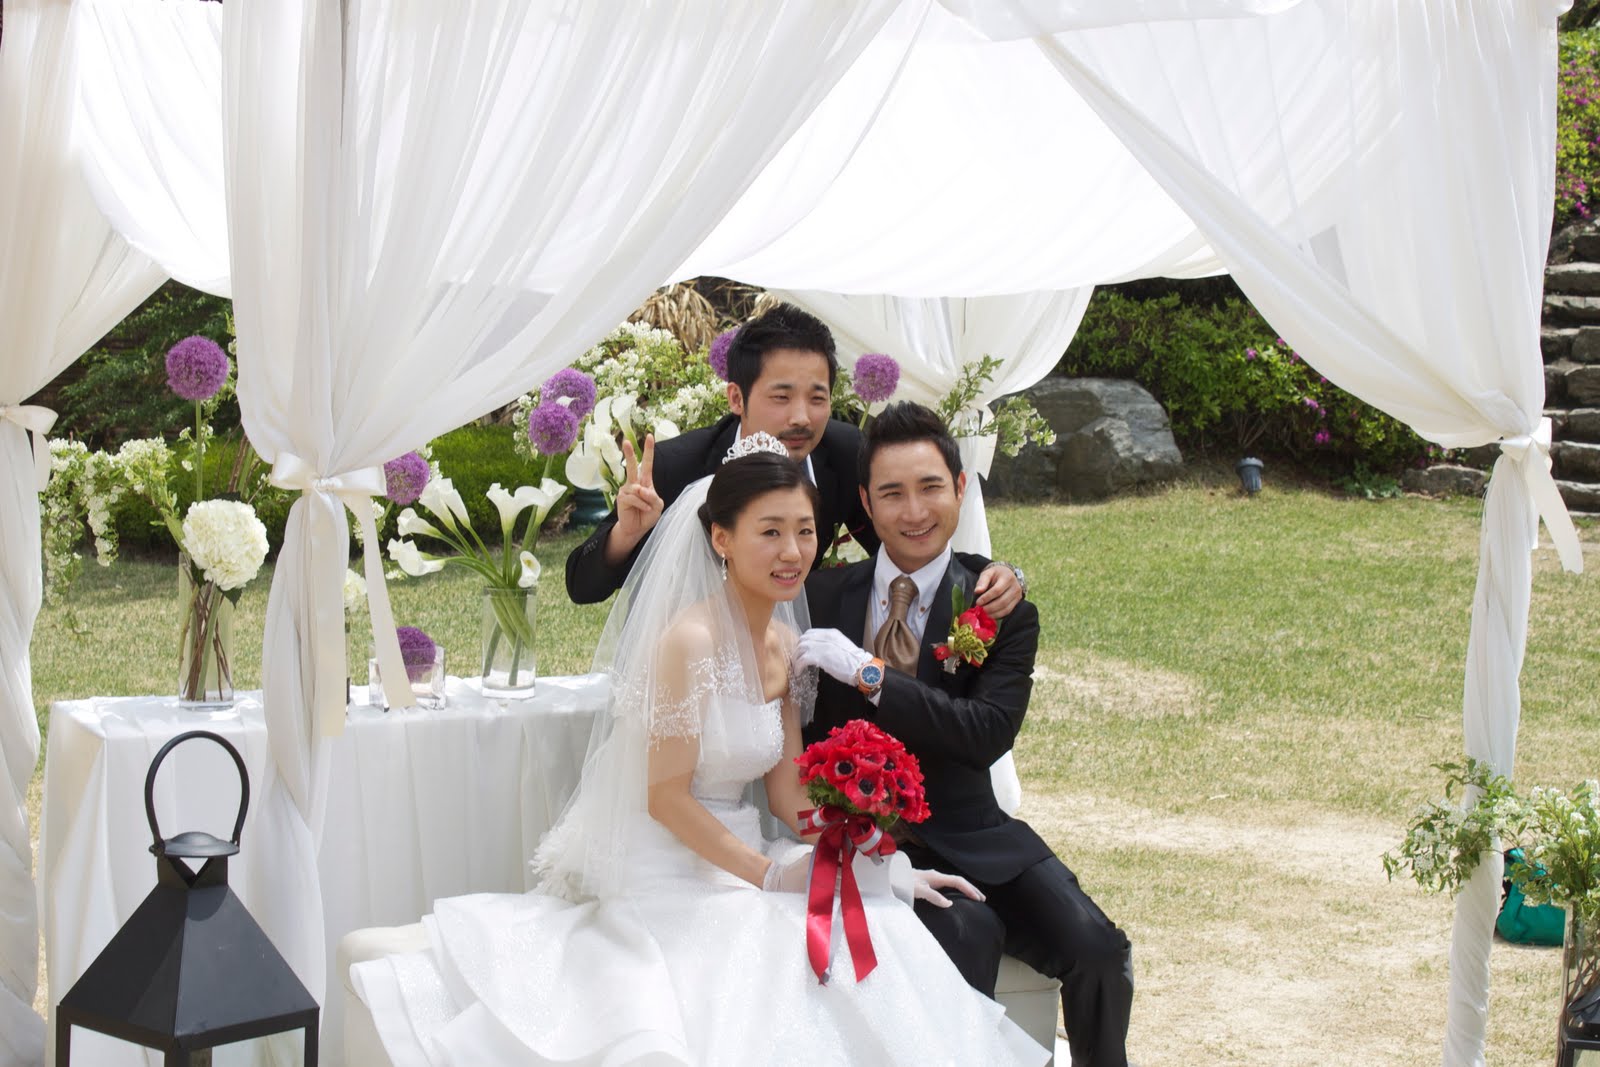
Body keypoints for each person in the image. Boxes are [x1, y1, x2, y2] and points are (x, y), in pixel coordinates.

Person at [352, 436, 1050, 1066]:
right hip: (668, 863)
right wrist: (766, 875)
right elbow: (665, 797)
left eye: (805, 531)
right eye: (769, 532)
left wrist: (869, 855)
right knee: (757, 964)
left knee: (878, 929)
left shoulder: (784, 641)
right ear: (721, 537)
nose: (792, 552)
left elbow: (786, 795)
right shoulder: (688, 640)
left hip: (743, 850)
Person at [796, 402, 1135, 1067]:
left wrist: (868, 673)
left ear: (959, 486)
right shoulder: (821, 595)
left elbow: (985, 735)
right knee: (965, 934)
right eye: (892, 492)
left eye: (930, 487)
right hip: (870, 840)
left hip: (978, 830)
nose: (914, 510)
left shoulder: (994, 605)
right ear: (866, 501)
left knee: (1100, 949)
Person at [564, 302, 1025, 618]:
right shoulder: (676, 466)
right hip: (682, 660)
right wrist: (626, 534)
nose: (801, 418)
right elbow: (580, 587)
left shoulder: (844, 454)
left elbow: (904, 544)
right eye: (780, 397)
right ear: (736, 398)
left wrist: (993, 573)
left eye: (817, 397)